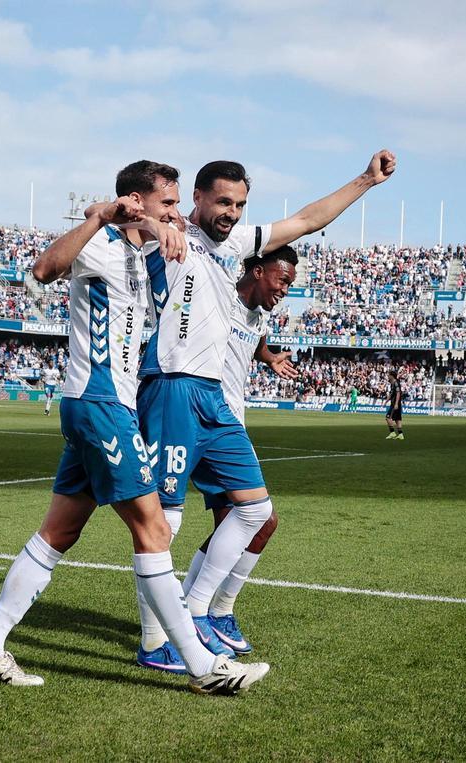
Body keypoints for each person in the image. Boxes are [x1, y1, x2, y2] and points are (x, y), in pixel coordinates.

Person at [0, 160, 270, 696]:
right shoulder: (99, 244)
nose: (177, 213)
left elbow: (164, 238)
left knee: (59, 531)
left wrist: (156, 225)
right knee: (152, 529)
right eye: (168, 203)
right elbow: (43, 270)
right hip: (99, 403)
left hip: (114, 405)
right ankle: (200, 666)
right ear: (135, 199)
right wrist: (103, 213)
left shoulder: (140, 251)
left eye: (178, 203)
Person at [137, 150, 395, 657]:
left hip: (214, 397)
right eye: (223, 202)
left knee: (257, 510)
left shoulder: (234, 244)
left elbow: (305, 220)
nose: (231, 212)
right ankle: (153, 640)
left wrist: (366, 179)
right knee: (166, 522)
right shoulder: (170, 235)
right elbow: (115, 214)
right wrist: (153, 221)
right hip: (171, 384)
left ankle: (197, 611)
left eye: (240, 204)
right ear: (198, 197)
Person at [138, 247, 298, 668]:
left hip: (227, 425)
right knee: (172, 521)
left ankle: (210, 610)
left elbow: (255, 340)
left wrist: (269, 357)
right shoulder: (218, 295)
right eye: (282, 281)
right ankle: (186, 619)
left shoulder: (259, 314)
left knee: (256, 521)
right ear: (258, 270)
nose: (285, 291)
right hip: (188, 413)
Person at [385, 369, 404, 440]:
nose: (388, 376)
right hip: (395, 403)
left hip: (395, 404)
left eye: (388, 375)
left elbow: (398, 393)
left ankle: (392, 432)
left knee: (388, 417)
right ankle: (401, 434)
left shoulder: (396, 383)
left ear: (392, 376)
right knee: (397, 419)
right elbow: (391, 394)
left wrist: (396, 404)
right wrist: (386, 401)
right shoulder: (392, 383)